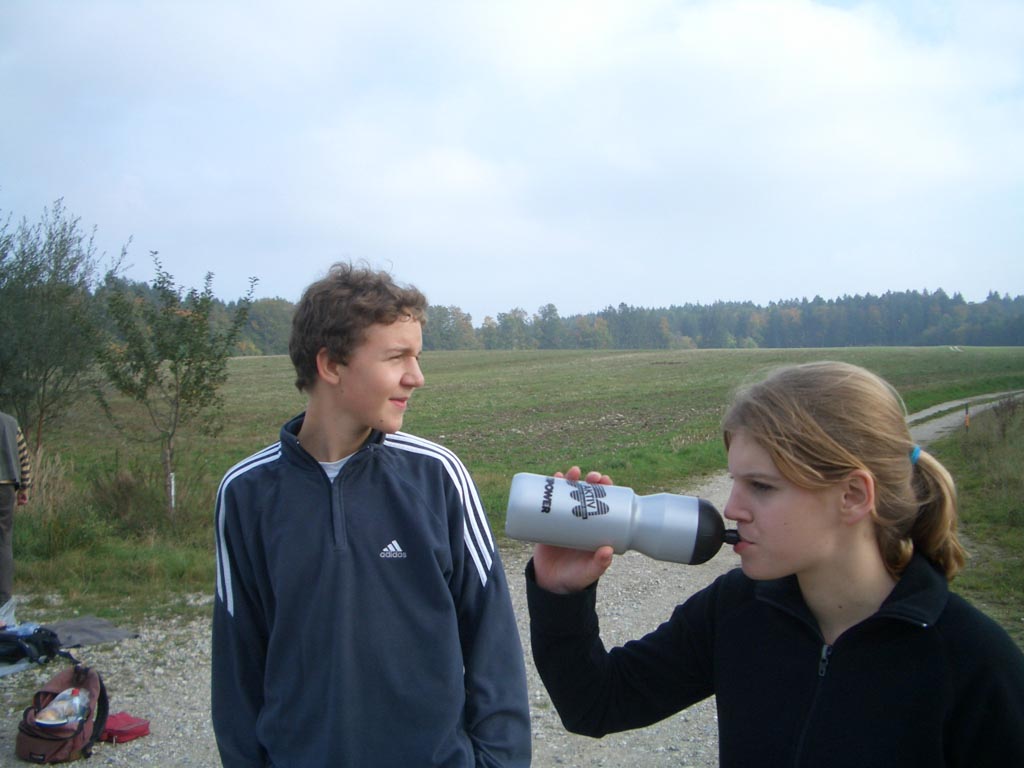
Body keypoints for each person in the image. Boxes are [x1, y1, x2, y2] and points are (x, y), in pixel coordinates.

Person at [527, 361, 1024, 767]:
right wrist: (560, 593)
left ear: (853, 495)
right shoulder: (738, 608)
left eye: (761, 487)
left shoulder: (974, 664)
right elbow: (596, 704)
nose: (732, 508)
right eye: (735, 482)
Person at [212, 263, 531, 767]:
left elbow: (493, 644)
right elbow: (237, 668)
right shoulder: (245, 493)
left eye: (417, 356)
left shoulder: (438, 476)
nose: (417, 377)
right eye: (397, 356)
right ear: (331, 364)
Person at [0, 410, 32, 621]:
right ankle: (3, 600)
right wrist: (25, 486)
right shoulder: (10, 423)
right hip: (6, 488)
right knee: (3, 542)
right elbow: (24, 457)